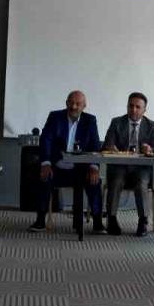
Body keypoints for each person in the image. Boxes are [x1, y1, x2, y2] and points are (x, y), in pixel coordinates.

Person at [29, 91, 102, 232]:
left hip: (81, 169)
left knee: (95, 181)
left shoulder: (90, 120)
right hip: (57, 167)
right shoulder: (55, 117)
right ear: (66, 103)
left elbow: (95, 145)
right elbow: (46, 141)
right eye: (71, 103)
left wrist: (94, 166)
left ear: (84, 106)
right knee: (43, 178)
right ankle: (40, 220)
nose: (74, 107)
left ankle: (98, 222)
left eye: (78, 104)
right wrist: (46, 164)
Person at [102, 92, 154, 237]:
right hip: (120, 166)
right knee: (115, 181)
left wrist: (150, 150)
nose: (134, 110)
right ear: (127, 106)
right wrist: (111, 148)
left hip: (141, 167)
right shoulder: (117, 122)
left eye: (138, 107)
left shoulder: (151, 126)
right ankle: (112, 219)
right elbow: (107, 145)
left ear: (144, 110)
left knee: (141, 184)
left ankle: (143, 221)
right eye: (131, 106)